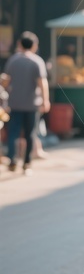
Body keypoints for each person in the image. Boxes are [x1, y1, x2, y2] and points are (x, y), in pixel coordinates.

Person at [2, 32, 50, 174]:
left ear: (19, 44)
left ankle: (12, 160)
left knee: (13, 133)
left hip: (15, 103)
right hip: (32, 104)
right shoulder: (37, 61)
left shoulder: (12, 60)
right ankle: (27, 163)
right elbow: (42, 83)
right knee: (29, 134)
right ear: (34, 45)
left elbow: (6, 81)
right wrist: (45, 100)